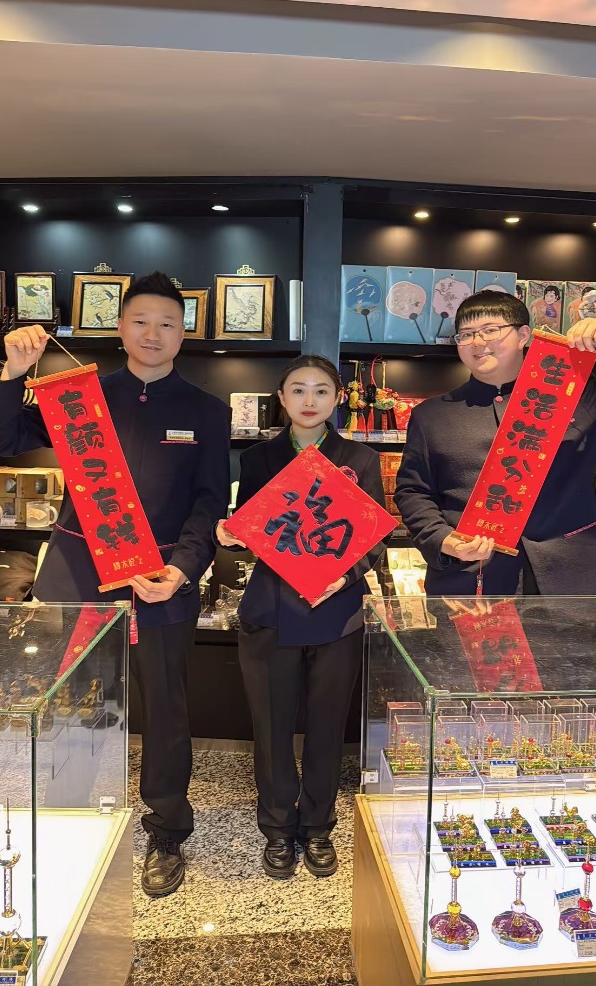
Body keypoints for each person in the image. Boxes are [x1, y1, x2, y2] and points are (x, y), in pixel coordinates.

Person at [0, 272, 231, 897]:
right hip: (79, 579)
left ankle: (166, 831)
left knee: (165, 709)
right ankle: (69, 819)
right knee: (73, 704)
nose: (153, 333)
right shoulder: (78, 396)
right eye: (140, 321)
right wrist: (12, 373)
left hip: (160, 581)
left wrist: (184, 570)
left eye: (167, 323)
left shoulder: (206, 410)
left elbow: (209, 502)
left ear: (183, 334)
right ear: (119, 328)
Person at [216, 355, 386, 880]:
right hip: (271, 608)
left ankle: (317, 825)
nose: (309, 401)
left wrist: (345, 576)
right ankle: (276, 826)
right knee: (270, 727)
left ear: (337, 398)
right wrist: (232, 534)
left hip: (336, 612)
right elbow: (254, 530)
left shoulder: (359, 458)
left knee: (327, 726)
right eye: (297, 390)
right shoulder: (259, 458)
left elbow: (375, 537)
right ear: (282, 398)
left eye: (321, 390)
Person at [395, 290, 596, 597]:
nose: (477, 342)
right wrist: (442, 539)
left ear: (523, 335)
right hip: (472, 579)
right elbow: (414, 491)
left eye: (490, 330)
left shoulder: (579, 396)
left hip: (575, 578)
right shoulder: (432, 415)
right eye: (466, 334)